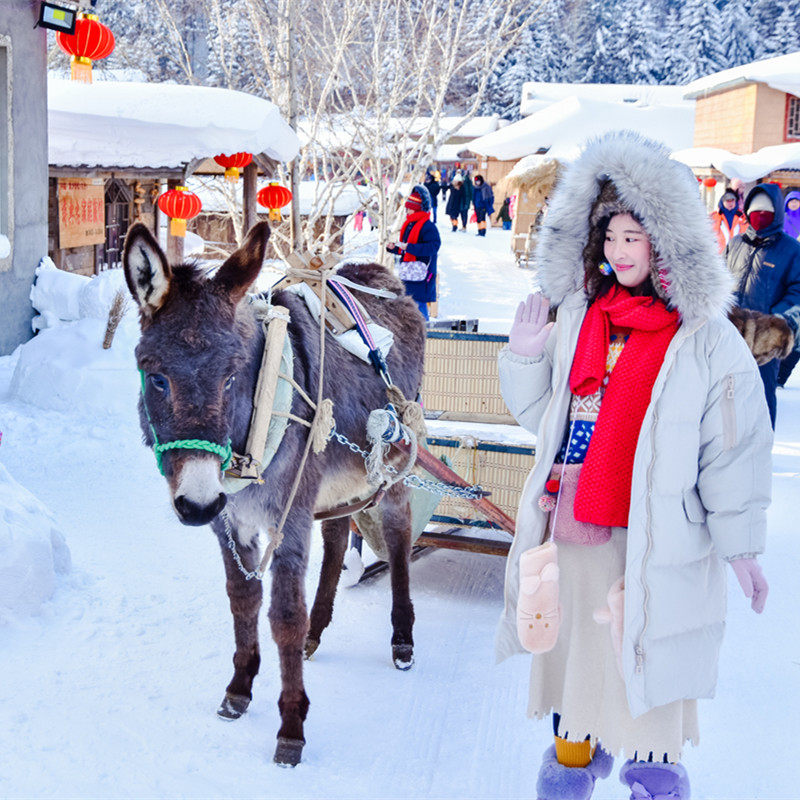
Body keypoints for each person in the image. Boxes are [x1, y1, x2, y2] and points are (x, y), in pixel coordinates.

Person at [496, 132, 773, 800]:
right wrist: (528, 354)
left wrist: (740, 547)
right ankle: (569, 769)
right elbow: (546, 422)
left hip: (657, 537)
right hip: (573, 525)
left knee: (644, 660)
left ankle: (654, 778)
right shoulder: (581, 316)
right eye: (611, 237)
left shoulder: (704, 337)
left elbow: (732, 448)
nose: (621, 252)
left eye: (634, 237)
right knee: (578, 664)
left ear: (666, 242)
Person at [724, 183, 800, 424]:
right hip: (728, 334)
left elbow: (798, 289)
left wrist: (775, 322)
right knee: (725, 398)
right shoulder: (735, 244)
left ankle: (760, 455)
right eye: (755, 210)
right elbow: (719, 278)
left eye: (766, 211)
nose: (760, 216)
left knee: (761, 402)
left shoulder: (792, 250)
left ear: (777, 213)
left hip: (765, 344)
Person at [386, 184, 439, 321]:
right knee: (409, 304)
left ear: (416, 209)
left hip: (422, 273)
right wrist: (394, 248)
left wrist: (408, 247)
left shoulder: (428, 227)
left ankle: (427, 333)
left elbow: (432, 248)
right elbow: (406, 249)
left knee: (419, 305)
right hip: (409, 272)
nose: (407, 211)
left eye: (409, 208)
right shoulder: (409, 225)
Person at [710, 187, 745, 253]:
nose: (730, 203)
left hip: (737, 255)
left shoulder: (743, 218)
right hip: (718, 255)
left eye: (732, 200)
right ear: (722, 202)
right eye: (728, 201)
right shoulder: (713, 217)